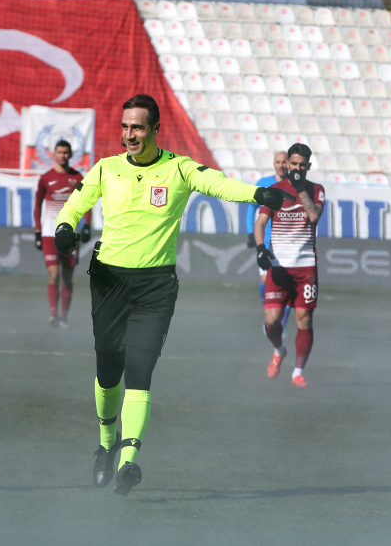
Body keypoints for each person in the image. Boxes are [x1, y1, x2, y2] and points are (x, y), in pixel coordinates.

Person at [54, 94, 293, 496]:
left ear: (155, 129)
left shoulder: (179, 168)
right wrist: (64, 229)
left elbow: (217, 183)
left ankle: (129, 461)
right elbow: (74, 205)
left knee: (139, 370)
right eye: (125, 127)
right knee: (108, 372)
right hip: (108, 281)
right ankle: (107, 445)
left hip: (156, 286)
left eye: (138, 127)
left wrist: (257, 194)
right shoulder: (106, 168)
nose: (130, 134)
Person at [253, 143, 324, 388]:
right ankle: (279, 350)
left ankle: (298, 372)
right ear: (288, 164)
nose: (296, 168)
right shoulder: (274, 190)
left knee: (304, 319)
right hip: (279, 266)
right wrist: (260, 248)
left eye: (302, 165)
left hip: (305, 267)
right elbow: (260, 223)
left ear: (308, 166)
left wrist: (301, 189)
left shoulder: (316, 190)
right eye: (293, 164)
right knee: (272, 321)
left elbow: (313, 216)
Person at [33, 139, 91, 328]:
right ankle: (53, 315)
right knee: (54, 275)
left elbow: (86, 202)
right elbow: (37, 204)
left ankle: (64, 317)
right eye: (59, 152)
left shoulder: (77, 177)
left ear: (71, 154)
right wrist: (38, 231)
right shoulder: (45, 178)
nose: (63, 156)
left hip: (70, 235)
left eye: (66, 152)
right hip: (49, 234)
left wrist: (87, 225)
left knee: (67, 277)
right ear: (54, 154)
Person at [246, 151, 292, 332]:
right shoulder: (264, 183)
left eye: (284, 162)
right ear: (274, 164)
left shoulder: (295, 186)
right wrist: (251, 233)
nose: (281, 165)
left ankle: (282, 324)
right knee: (265, 280)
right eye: (278, 162)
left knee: (287, 285)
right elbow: (252, 208)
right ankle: (269, 318)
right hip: (266, 242)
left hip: (288, 243)